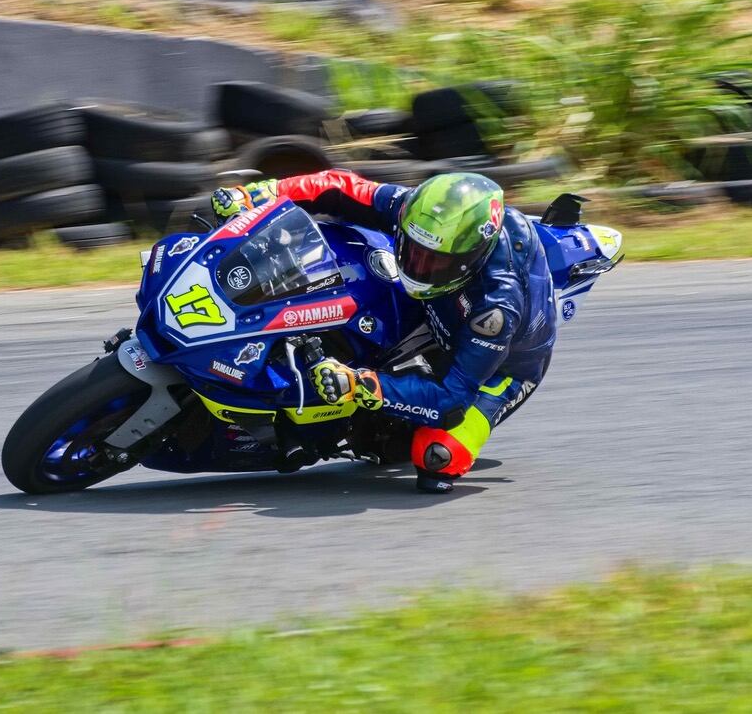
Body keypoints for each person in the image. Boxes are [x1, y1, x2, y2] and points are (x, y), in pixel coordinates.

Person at [211, 170, 557, 493]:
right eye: (413, 248)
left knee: (438, 455)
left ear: (472, 258)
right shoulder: (417, 212)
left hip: (505, 367)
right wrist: (262, 193)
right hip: (437, 303)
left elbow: (451, 399)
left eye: (433, 260)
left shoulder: (494, 308)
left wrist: (361, 385)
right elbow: (340, 188)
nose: (417, 265)